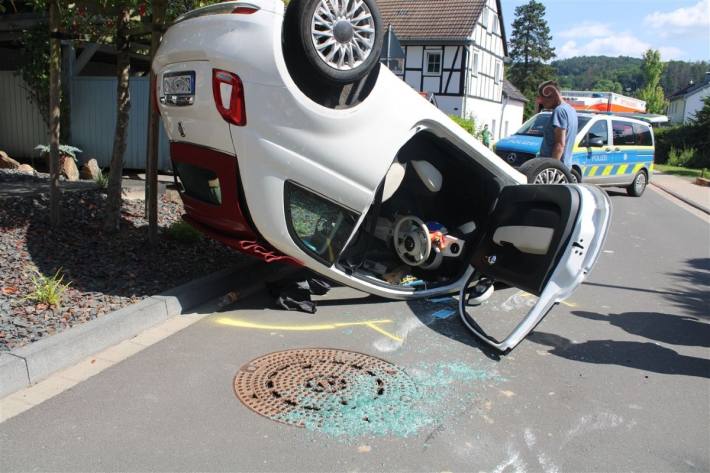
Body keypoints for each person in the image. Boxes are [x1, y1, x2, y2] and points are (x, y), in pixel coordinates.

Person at [537, 80, 577, 166]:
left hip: (554, 169)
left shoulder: (559, 111)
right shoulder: (571, 110)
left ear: (552, 94)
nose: (541, 101)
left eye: (542, 97)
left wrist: (552, 168)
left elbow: (560, 144)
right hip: (564, 166)